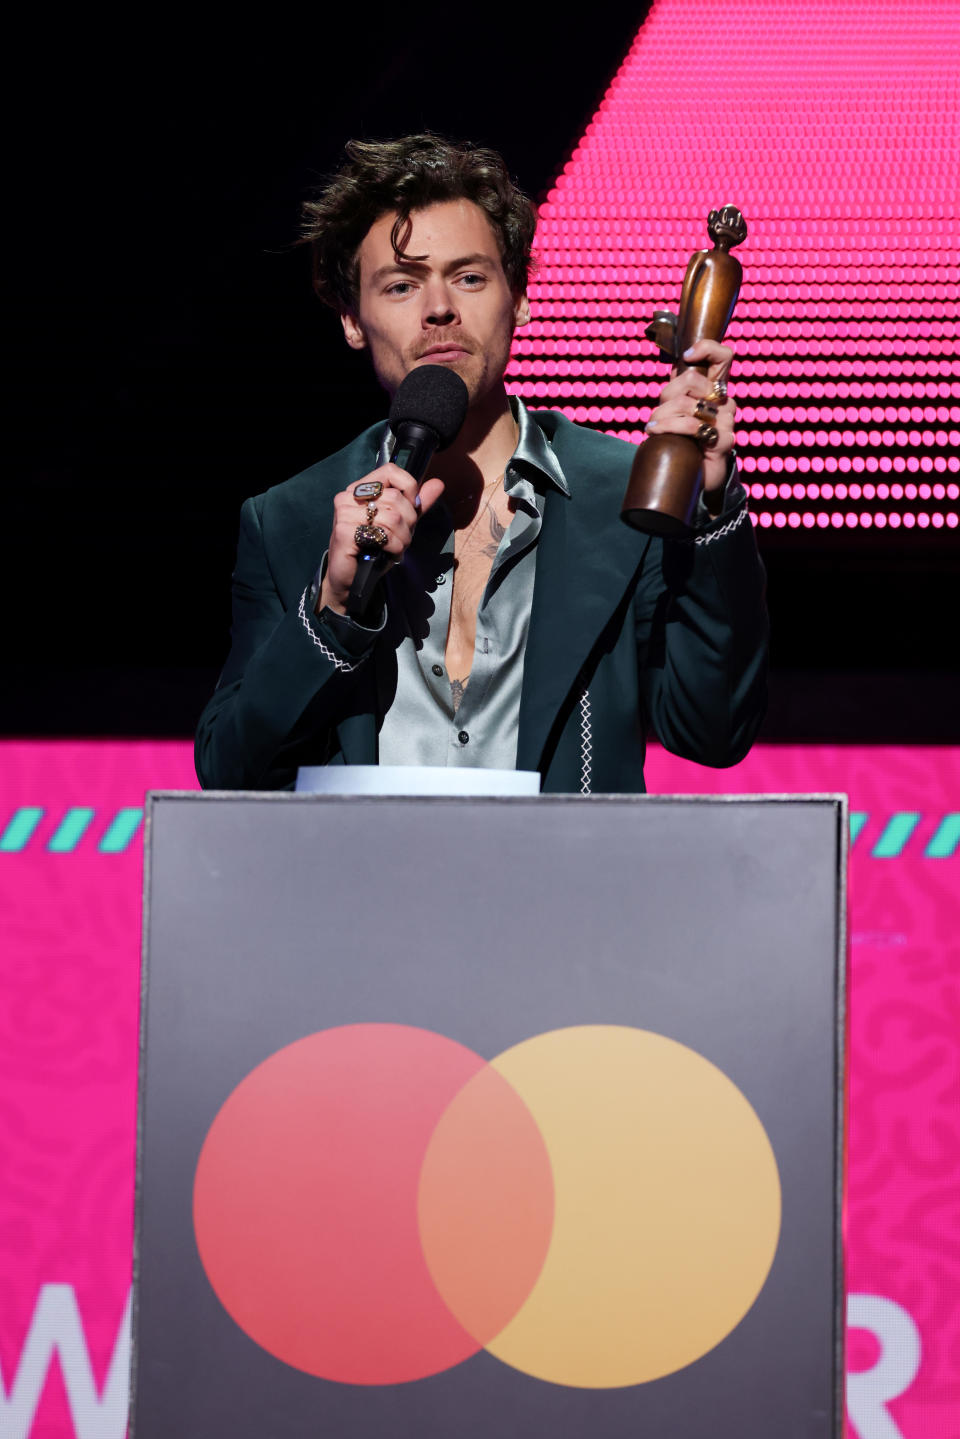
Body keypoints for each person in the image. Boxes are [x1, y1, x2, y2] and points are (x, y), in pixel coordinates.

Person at [195, 135, 767, 793]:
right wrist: (332, 608)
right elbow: (230, 772)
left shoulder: (618, 498)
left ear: (519, 295)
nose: (439, 308)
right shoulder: (289, 518)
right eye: (402, 284)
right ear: (352, 318)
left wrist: (714, 509)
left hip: (564, 888)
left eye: (469, 277)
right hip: (364, 890)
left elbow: (715, 730)